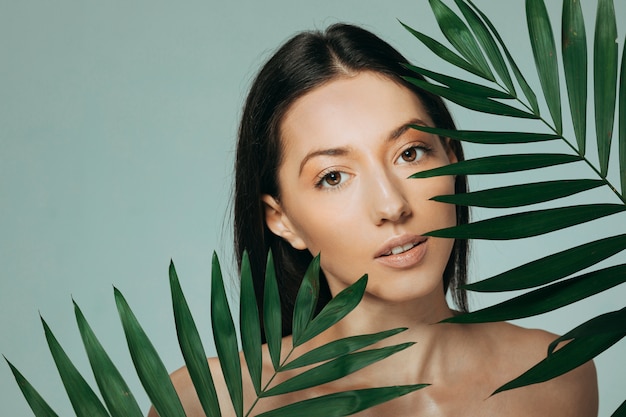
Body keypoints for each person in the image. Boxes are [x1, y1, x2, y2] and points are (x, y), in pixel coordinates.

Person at [153, 23, 598, 417]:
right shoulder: (211, 402)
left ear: (453, 163)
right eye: (333, 177)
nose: (391, 205)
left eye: (410, 153)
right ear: (281, 218)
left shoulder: (555, 371)